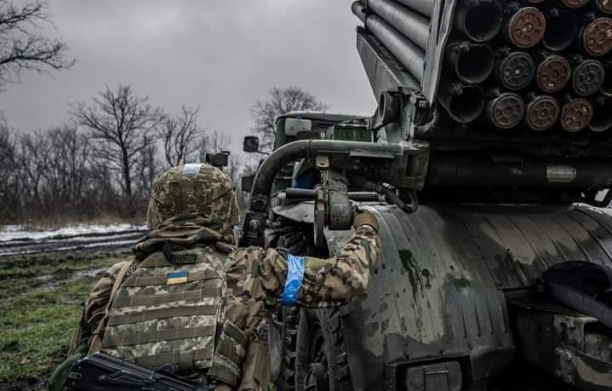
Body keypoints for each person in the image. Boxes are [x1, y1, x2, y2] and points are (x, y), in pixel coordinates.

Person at [49, 163, 381, 391]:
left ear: (157, 211)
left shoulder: (114, 279)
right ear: (224, 211)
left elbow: (73, 367)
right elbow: (346, 279)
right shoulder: (255, 268)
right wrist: (366, 228)